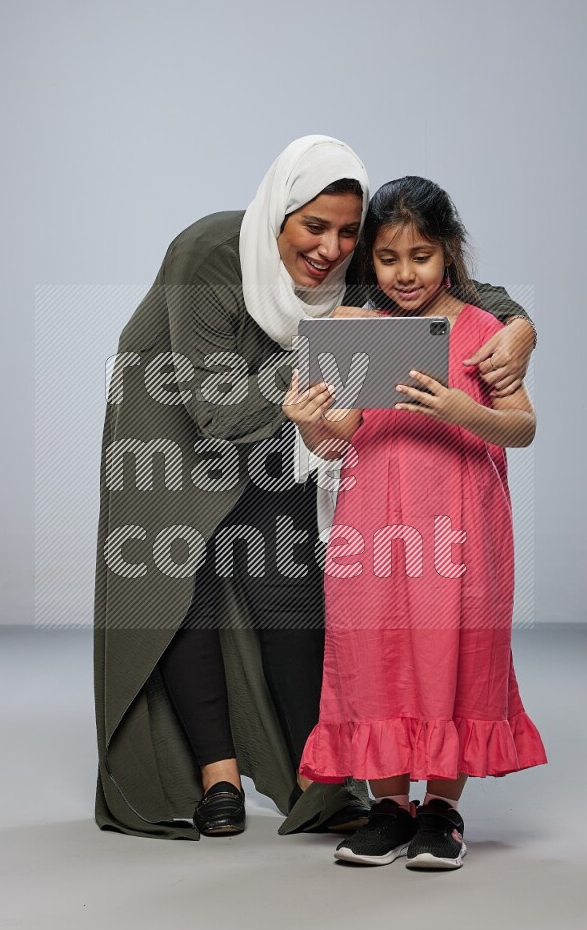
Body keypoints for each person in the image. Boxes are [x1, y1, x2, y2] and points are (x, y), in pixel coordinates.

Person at [94, 142, 538, 841]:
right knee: (184, 581)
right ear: (279, 213)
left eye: (347, 232)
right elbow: (214, 410)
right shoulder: (207, 255)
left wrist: (520, 330)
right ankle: (217, 773)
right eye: (313, 227)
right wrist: (325, 347)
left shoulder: (362, 263)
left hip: (288, 409)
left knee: (288, 577)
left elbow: (460, 290)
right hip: (176, 409)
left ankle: (319, 779)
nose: (331, 249)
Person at [285, 175, 547, 869]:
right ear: (369, 259)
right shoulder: (363, 332)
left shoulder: (484, 331)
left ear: (449, 251)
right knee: (376, 653)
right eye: (388, 258)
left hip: (462, 526)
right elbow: (340, 436)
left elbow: (523, 427)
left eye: (421, 256)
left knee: (454, 652)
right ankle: (391, 807)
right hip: (373, 523)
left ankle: (441, 809)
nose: (405, 274)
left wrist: (465, 411)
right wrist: (309, 423)